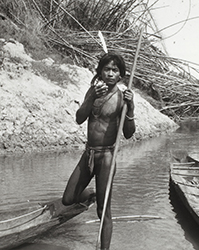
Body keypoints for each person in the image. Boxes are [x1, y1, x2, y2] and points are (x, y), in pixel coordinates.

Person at [62, 52, 136, 250]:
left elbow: (129, 134)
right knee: (68, 198)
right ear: (100, 71)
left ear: (120, 75)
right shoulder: (93, 91)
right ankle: (92, 194)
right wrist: (91, 97)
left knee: (104, 211)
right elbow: (79, 118)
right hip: (89, 154)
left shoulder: (122, 97)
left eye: (115, 70)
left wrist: (130, 109)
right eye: (107, 69)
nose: (110, 74)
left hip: (107, 158)